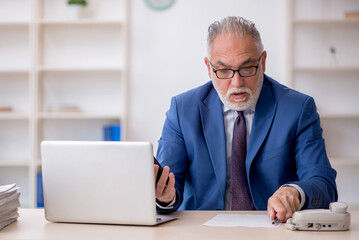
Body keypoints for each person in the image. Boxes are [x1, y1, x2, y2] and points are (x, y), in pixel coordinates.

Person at [154, 16, 337, 222]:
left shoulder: (298, 109)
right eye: (223, 70)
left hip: (273, 228)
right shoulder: (182, 110)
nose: (237, 82)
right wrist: (165, 197)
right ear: (208, 67)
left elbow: (323, 184)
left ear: (263, 61)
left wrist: (294, 192)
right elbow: (168, 182)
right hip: (201, 230)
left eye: (247, 68)